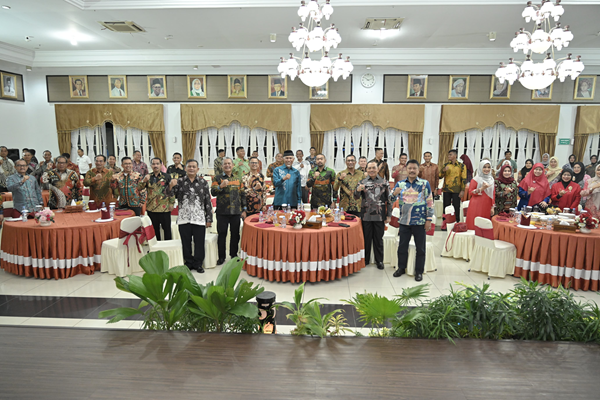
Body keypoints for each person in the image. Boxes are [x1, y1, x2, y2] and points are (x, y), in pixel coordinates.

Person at [389, 159, 434, 281]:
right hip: (404, 221)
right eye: (410, 168)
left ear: (418, 170)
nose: (412, 170)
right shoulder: (400, 184)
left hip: (420, 221)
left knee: (420, 248)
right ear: (406, 170)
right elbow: (390, 201)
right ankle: (401, 268)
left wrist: (428, 219)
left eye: (414, 168)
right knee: (402, 247)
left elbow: (430, 202)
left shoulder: (424, 184)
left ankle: (418, 271)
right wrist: (394, 194)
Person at [172, 159, 213, 273]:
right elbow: (170, 196)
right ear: (185, 168)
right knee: (186, 242)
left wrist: (208, 218)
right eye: (189, 166)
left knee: (199, 242)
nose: (191, 168)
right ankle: (188, 263)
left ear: (197, 169)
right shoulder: (179, 181)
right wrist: (170, 186)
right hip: (184, 217)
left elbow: (207, 201)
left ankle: (198, 264)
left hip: (199, 217)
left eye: (194, 166)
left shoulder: (203, 182)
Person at [354, 161, 392, 270]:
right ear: (366, 170)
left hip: (380, 215)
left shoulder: (384, 182)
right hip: (366, 215)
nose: (371, 170)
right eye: (369, 168)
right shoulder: (362, 182)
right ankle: (365, 260)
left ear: (377, 169)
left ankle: (379, 260)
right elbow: (356, 197)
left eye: (373, 168)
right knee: (366, 239)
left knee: (378, 239)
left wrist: (388, 215)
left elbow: (389, 200)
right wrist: (357, 190)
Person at [210, 158, 246, 265]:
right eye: (225, 164)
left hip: (236, 212)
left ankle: (234, 255)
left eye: (229, 164)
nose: (227, 166)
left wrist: (244, 210)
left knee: (235, 234)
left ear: (233, 166)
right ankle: (221, 257)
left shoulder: (238, 179)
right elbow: (213, 192)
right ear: (222, 166)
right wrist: (220, 186)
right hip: (222, 212)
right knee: (222, 234)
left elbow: (242, 195)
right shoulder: (217, 178)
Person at [142, 158, 176, 241]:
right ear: (151, 166)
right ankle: (157, 249)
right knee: (154, 231)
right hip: (151, 208)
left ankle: (168, 248)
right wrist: (143, 181)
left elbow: (171, 190)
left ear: (161, 165)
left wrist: (171, 203)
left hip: (164, 208)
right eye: (153, 164)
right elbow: (139, 188)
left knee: (167, 230)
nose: (155, 166)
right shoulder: (147, 177)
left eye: (157, 164)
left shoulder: (167, 176)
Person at [465, 160, 495, 230]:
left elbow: (493, 194)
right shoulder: (475, 179)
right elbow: (471, 192)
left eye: (488, 167)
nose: (487, 169)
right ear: (480, 168)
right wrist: (482, 188)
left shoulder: (491, 180)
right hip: (476, 204)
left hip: (487, 205)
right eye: (484, 167)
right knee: (474, 224)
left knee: (484, 224)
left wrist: (492, 207)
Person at [439, 149, 466, 223]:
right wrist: (443, 170)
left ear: (455, 155)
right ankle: (445, 222)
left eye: (450, 155)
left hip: (457, 190)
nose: (449, 156)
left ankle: (456, 222)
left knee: (456, 206)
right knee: (446, 206)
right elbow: (439, 176)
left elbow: (464, 179)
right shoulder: (446, 165)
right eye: (448, 155)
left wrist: (463, 190)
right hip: (446, 189)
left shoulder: (462, 166)